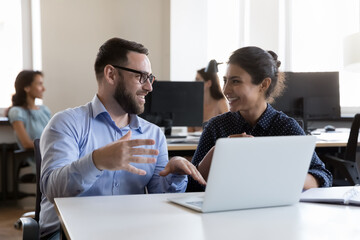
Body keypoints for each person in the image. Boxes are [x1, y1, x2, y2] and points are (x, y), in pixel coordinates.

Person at [39, 37, 206, 239]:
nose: (149, 87)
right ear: (111, 74)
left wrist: (177, 173)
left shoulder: (153, 134)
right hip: (67, 232)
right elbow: (52, 190)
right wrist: (97, 161)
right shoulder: (66, 123)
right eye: (141, 77)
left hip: (129, 230)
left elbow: (160, 200)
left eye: (150, 78)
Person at [186, 46, 332, 192]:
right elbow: (190, 185)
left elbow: (323, 176)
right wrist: (219, 150)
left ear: (263, 84)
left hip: (271, 210)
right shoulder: (217, 126)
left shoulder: (285, 127)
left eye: (235, 81)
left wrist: (281, 174)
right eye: (225, 81)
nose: (226, 90)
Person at [7, 70, 51, 172]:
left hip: (50, 155)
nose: (43, 89)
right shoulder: (17, 112)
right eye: (39, 84)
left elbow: (53, 135)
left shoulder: (44, 110)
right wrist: (53, 145)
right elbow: (26, 143)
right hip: (36, 159)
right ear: (27, 88)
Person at [188, 68, 229, 132]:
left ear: (208, 83)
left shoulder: (220, 103)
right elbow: (190, 131)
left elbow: (227, 127)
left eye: (197, 80)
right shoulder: (194, 104)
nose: (194, 83)